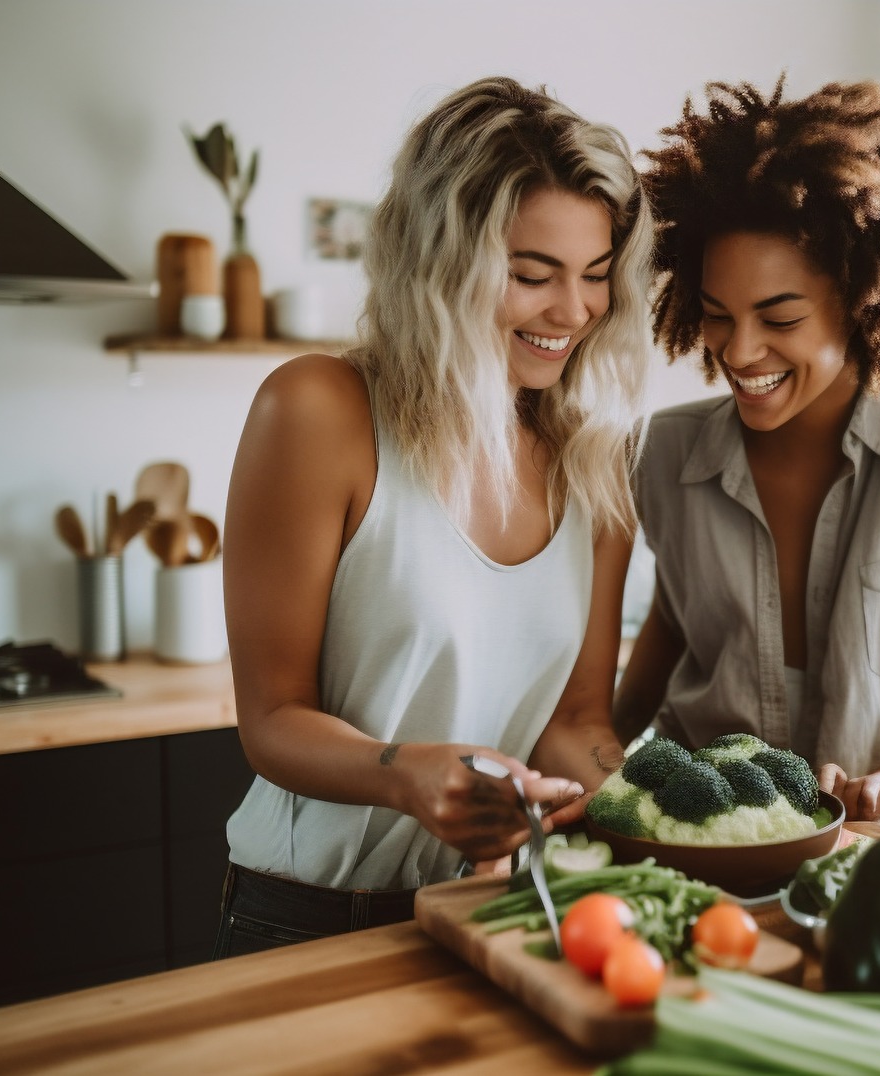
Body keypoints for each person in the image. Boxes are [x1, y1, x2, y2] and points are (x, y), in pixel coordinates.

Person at [214, 77, 654, 957]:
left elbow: (573, 723)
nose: (572, 313)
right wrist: (406, 773)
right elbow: (272, 720)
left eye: (596, 277)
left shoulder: (595, 465)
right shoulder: (318, 411)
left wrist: (657, 805)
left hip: (485, 911)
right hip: (305, 910)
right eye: (532, 276)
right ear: (440, 265)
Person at [616, 79, 880, 822]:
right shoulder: (662, 452)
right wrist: (594, 769)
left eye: (779, 317)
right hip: (720, 843)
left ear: (862, 293)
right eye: (717, 316)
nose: (739, 352)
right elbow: (676, 626)